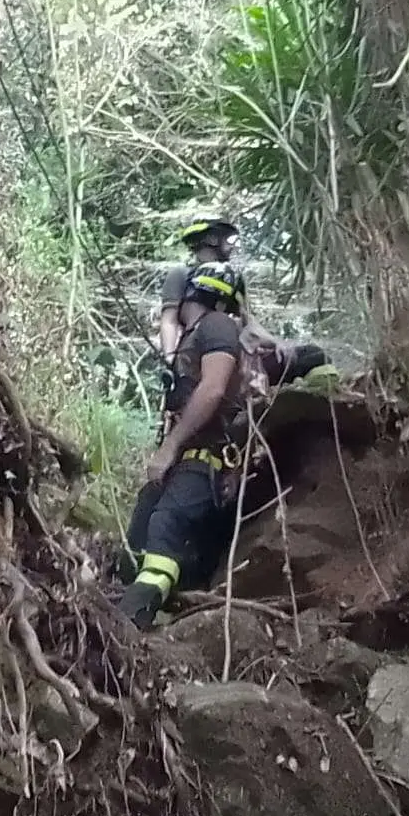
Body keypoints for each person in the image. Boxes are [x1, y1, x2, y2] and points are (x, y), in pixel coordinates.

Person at [120, 263, 247, 630]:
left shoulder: (217, 325)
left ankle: (129, 627)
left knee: (166, 525)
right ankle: (129, 604)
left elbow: (213, 389)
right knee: (140, 531)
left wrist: (170, 446)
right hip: (185, 462)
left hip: (204, 460)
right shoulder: (196, 334)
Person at [158, 217, 277, 362]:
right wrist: (169, 357)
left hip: (233, 344)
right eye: (228, 239)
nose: (233, 246)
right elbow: (169, 320)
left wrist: (273, 344)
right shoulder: (182, 273)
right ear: (213, 239)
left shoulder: (234, 278)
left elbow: (247, 319)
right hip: (196, 345)